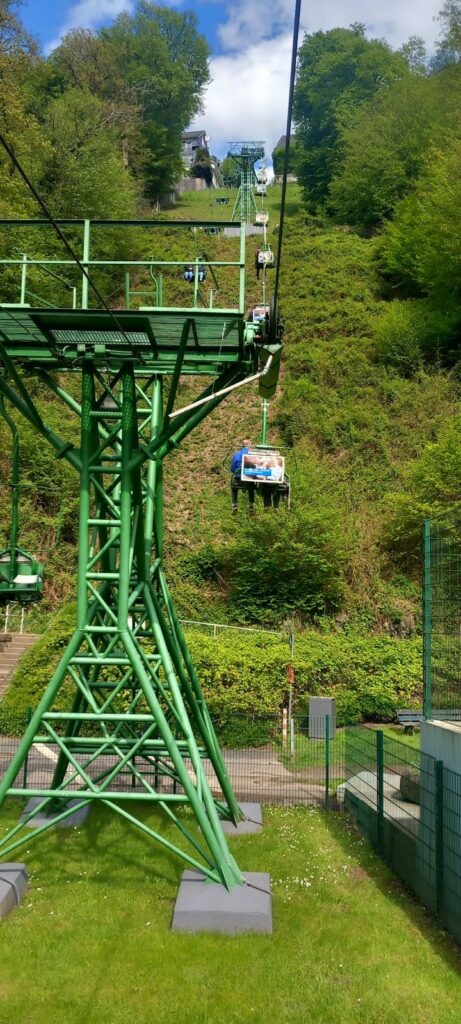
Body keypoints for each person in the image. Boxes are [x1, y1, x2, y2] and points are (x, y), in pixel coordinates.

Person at [230, 439, 256, 514]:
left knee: (234, 488)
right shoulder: (252, 454)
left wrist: (237, 472)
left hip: (238, 478)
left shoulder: (237, 454)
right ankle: (251, 505)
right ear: (249, 445)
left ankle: (234, 505)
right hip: (249, 478)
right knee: (251, 488)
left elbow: (232, 468)